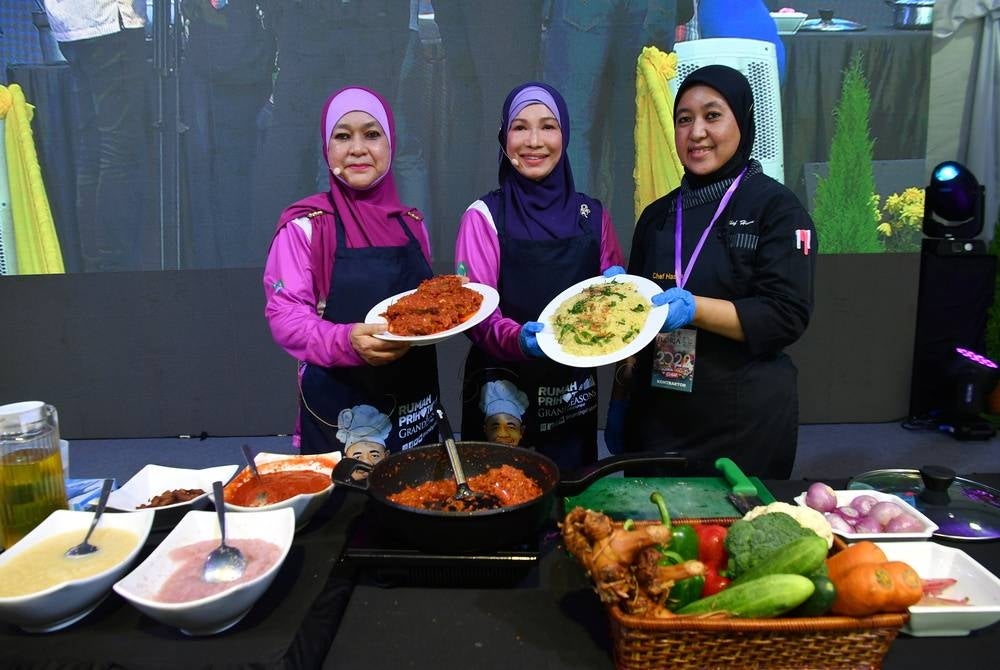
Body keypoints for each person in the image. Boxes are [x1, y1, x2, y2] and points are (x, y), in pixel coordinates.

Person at [605, 65, 815, 479]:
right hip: (659, 417)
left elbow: (785, 316)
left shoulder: (777, 209)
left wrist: (694, 308)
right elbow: (637, 320)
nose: (696, 131)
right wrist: (622, 399)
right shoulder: (658, 215)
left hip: (740, 421)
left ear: (743, 119)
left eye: (712, 115)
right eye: (684, 119)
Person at [455, 82, 625, 471]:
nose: (534, 141)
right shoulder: (483, 217)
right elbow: (474, 313)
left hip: (571, 395)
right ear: (504, 138)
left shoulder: (593, 216)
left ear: (564, 134)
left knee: (571, 501)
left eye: (548, 126)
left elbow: (613, 306)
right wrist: (517, 339)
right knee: (497, 501)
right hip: (500, 389)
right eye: (520, 127)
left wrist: (617, 292)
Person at [264, 86, 440, 455]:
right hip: (339, 405)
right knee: (344, 508)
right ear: (327, 150)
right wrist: (345, 341)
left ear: (391, 145)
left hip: (413, 405)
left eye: (372, 135)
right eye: (343, 136)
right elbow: (286, 316)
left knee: (419, 502)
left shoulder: (413, 223)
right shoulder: (307, 226)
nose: (358, 148)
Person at [44, 0, 152, 271]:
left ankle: (98, 266)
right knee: (117, 152)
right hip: (108, 22)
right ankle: (115, 267)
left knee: (92, 148)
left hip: (72, 24)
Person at [480, 379, 530, 447]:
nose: (502, 434)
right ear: (485, 430)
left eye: (511, 427)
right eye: (495, 427)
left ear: (521, 431)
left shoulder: (530, 457)